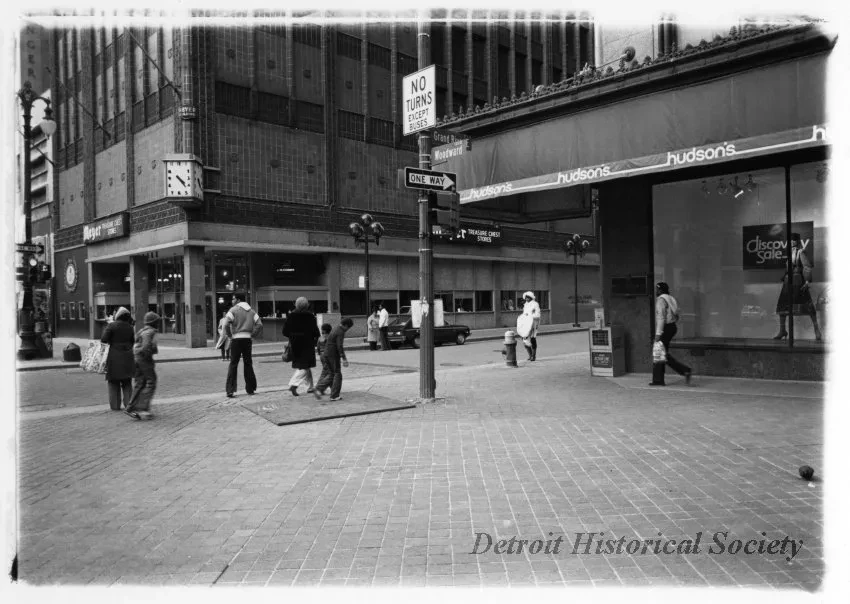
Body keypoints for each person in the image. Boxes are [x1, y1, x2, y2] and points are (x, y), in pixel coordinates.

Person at [774, 233, 822, 341]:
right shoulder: (789, 253)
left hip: (798, 281)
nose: (792, 242)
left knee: (808, 305)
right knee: (783, 306)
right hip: (788, 282)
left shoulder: (801, 252)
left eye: (794, 240)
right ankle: (782, 330)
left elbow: (807, 267)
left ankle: (816, 330)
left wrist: (807, 281)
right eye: (790, 240)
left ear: (797, 241)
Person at [650, 282, 692, 386]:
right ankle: (659, 379)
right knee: (662, 353)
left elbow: (661, 318)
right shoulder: (671, 298)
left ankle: (684, 370)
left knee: (660, 353)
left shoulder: (661, 300)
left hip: (665, 328)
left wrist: (658, 334)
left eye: (656, 289)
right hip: (672, 327)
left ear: (660, 290)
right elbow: (677, 313)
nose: (656, 291)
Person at [223, 293, 263, 398]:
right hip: (247, 340)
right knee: (248, 363)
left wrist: (230, 335)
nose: (232, 301)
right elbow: (259, 324)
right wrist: (252, 335)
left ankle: (230, 390)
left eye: (233, 299)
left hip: (236, 339)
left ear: (238, 300)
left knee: (233, 364)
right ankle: (250, 388)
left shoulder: (233, 310)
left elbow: (226, 324)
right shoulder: (252, 311)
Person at [125, 311, 160, 420]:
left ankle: (130, 407)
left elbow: (137, 345)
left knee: (139, 383)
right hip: (144, 360)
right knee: (151, 382)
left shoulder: (142, 331)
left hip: (137, 358)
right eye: (157, 321)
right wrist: (152, 351)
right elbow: (146, 347)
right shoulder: (150, 332)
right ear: (153, 322)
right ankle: (143, 408)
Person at [283, 297, 320, 396]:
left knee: (304, 365)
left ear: (296, 304)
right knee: (304, 366)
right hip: (307, 343)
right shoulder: (310, 316)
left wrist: (293, 336)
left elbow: (285, 331)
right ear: (307, 305)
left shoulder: (291, 316)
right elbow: (316, 332)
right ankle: (293, 384)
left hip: (295, 344)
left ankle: (310, 387)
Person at [100, 306, 135, 411]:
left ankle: (115, 406)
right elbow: (133, 341)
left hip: (113, 357)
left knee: (113, 382)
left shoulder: (111, 326)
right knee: (127, 382)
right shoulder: (130, 327)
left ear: (118, 315)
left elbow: (104, 339)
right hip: (128, 357)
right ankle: (129, 405)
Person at [315, 317, 353, 401]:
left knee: (332, 373)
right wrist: (344, 358)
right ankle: (334, 395)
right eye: (348, 328)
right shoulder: (340, 331)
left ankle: (318, 388)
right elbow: (339, 345)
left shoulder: (336, 328)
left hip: (326, 354)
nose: (347, 330)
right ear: (346, 325)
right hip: (333, 355)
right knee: (337, 374)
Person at [517, 291, 541, 361]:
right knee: (524, 337)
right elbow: (525, 313)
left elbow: (537, 314)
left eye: (528, 297)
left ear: (531, 297)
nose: (527, 298)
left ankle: (533, 356)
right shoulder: (525, 305)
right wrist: (522, 316)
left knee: (533, 338)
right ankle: (530, 355)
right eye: (526, 297)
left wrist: (531, 316)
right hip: (526, 323)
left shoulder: (535, 304)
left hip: (533, 323)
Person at [314, 323, 332, 399]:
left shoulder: (320, 338)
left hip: (322, 355)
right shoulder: (330, 337)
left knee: (325, 371)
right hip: (328, 356)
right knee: (330, 372)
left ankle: (327, 388)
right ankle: (319, 387)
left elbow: (318, 347)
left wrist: (319, 354)